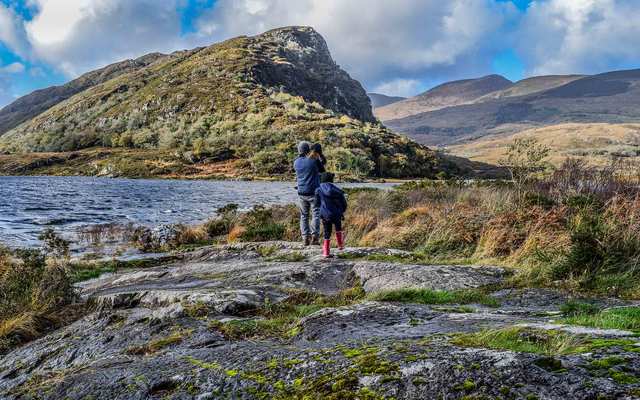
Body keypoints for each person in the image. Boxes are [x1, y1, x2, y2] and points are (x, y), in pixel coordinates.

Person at [294, 141, 321, 246]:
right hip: (314, 192)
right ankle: (315, 238)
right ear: (308, 150)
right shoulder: (313, 161)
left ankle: (305, 238)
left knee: (304, 215)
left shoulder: (296, 162)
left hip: (301, 192)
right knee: (316, 214)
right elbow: (322, 169)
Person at [314, 172, 347, 258]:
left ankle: (326, 252)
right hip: (336, 214)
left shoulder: (318, 190)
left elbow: (316, 204)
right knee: (338, 229)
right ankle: (340, 246)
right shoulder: (337, 190)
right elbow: (344, 204)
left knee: (327, 232)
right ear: (331, 180)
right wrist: (341, 211)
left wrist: (321, 210)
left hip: (325, 214)